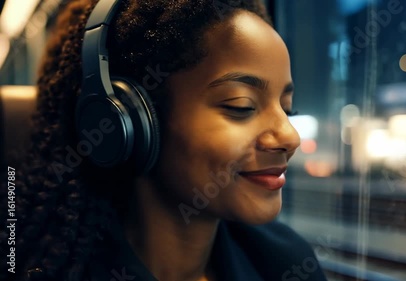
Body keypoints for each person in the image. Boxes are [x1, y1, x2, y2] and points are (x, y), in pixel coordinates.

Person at [0, 0, 328, 280]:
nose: (290, 136)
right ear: (126, 121)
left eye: (287, 108)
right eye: (240, 106)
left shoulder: (288, 262)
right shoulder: (42, 266)